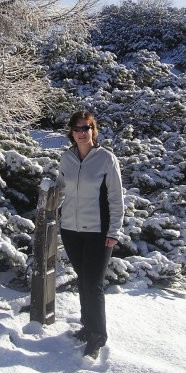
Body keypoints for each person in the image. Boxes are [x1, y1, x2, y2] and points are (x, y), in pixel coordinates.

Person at [56, 110, 124, 358]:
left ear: (94, 130)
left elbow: (116, 198)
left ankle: (98, 335)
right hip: (71, 230)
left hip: (98, 231)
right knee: (82, 278)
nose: (82, 133)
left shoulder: (106, 159)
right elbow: (62, 188)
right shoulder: (67, 158)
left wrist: (113, 230)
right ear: (71, 133)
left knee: (92, 283)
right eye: (77, 129)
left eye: (86, 128)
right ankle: (87, 326)